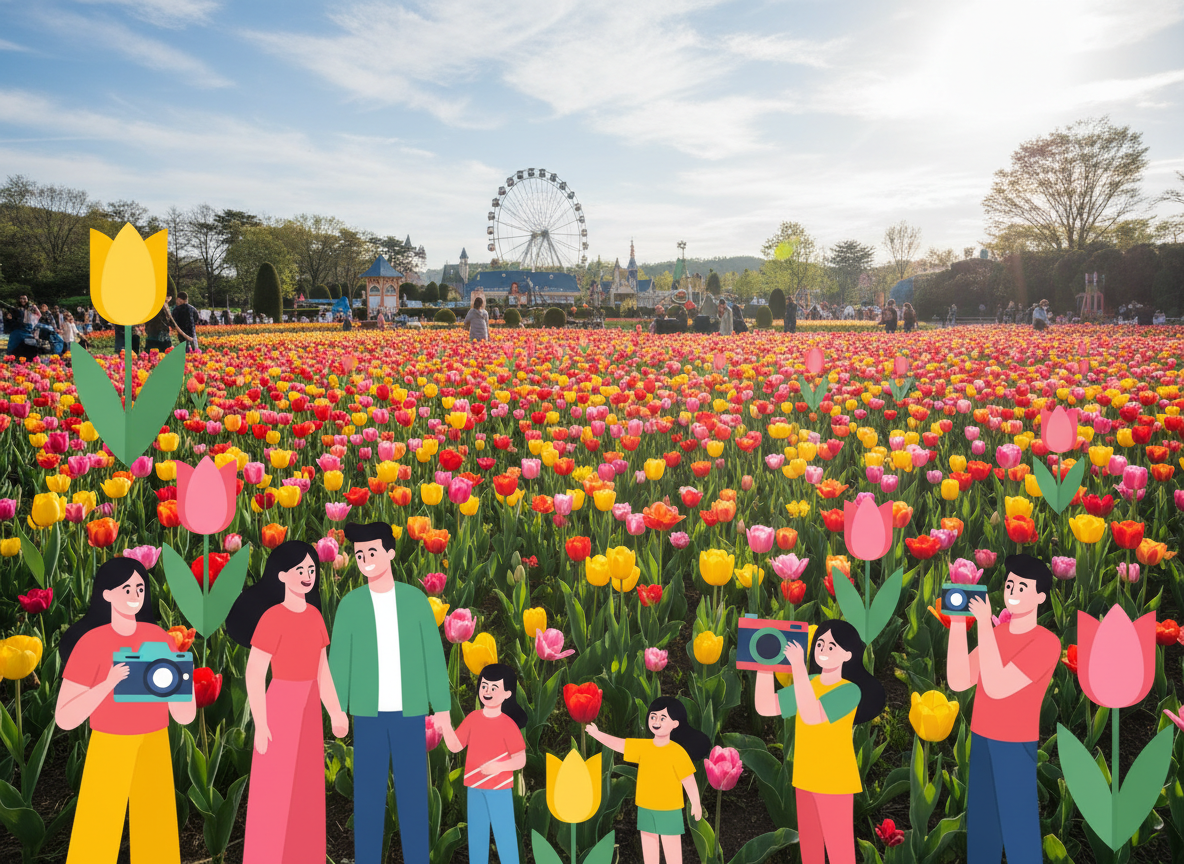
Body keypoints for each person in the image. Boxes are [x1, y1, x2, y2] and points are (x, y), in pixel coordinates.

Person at [56, 557, 196, 863]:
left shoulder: (159, 639)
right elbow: (64, 718)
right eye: (127, 588)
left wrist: (182, 681)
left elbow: (184, 716)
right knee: (96, 833)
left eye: (140, 588)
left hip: (154, 742)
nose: (135, 594)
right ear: (106, 594)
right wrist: (108, 683)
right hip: (109, 742)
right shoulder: (91, 643)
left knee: (157, 836)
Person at [330, 522, 451, 864]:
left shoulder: (414, 601)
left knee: (413, 795)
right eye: (359, 554)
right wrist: (338, 710)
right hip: (367, 714)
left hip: (409, 712)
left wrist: (441, 710)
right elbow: (340, 661)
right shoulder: (351, 605)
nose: (365, 559)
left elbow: (432, 657)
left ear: (390, 553)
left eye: (372, 552)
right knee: (368, 796)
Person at [227, 541, 348, 864]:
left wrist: (335, 711)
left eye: (312, 569)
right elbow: (254, 674)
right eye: (300, 570)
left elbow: (323, 670)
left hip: (309, 707)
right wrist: (261, 724)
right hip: (280, 704)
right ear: (282, 575)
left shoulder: (315, 617)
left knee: (307, 788)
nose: (308, 575)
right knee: (275, 788)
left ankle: (305, 856)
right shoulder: (272, 618)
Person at [946, 554, 1059, 864]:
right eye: (1010, 584)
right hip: (981, 737)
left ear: (1040, 597)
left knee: (1017, 827)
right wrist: (957, 624)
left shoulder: (1046, 643)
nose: (1013, 591)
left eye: (1022, 587)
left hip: (1014, 742)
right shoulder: (995, 635)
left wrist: (983, 623)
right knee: (983, 827)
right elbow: (958, 680)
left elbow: (996, 687)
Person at [755, 620, 886, 864]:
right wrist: (764, 666)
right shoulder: (811, 682)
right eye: (820, 644)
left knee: (840, 854)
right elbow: (764, 706)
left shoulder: (849, 691)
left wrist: (797, 667)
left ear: (848, 654)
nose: (823, 649)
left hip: (834, 782)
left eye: (831, 646)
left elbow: (812, 715)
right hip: (805, 778)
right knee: (810, 854)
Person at [587, 697, 709, 864]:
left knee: (671, 848)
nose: (656, 721)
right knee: (649, 848)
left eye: (662, 718)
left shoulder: (677, 752)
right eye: (653, 717)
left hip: (669, 809)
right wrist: (597, 734)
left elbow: (688, 779)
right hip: (646, 807)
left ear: (675, 723)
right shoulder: (644, 747)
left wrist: (695, 802)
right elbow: (620, 745)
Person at [434, 664, 527, 864]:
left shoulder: (507, 724)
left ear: (507, 694)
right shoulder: (473, 718)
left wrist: (498, 767)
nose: (487, 692)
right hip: (475, 788)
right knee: (477, 836)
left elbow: (521, 759)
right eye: (484, 686)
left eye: (494, 688)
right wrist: (445, 724)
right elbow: (455, 746)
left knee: (504, 835)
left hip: (499, 789)